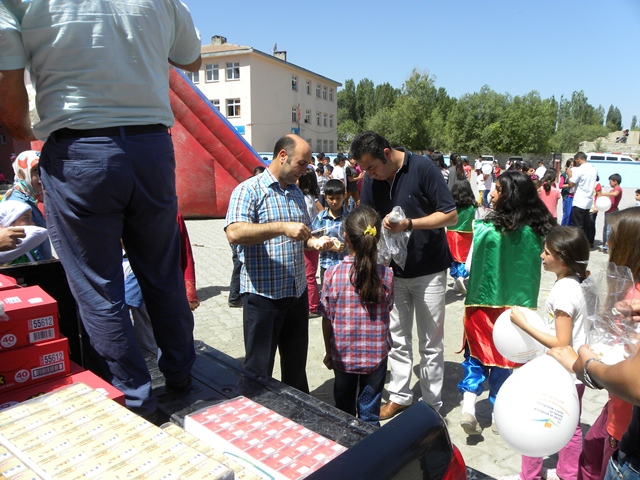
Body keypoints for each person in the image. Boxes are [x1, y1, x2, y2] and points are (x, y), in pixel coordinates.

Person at [0, 0, 203, 419]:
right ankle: (181, 373)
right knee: (162, 273)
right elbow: (192, 58)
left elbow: (7, 82)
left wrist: (26, 130)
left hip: (78, 149)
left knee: (99, 288)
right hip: (151, 146)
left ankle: (135, 398)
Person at [351, 131, 457, 418]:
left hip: (429, 270)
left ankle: (432, 404)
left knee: (431, 342)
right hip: (392, 272)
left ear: (387, 153)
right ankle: (400, 395)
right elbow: (366, 216)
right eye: (366, 170)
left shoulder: (422, 168)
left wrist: (409, 223)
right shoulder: (373, 178)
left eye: (372, 167)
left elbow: (450, 215)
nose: (370, 175)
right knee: (397, 337)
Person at [225, 134, 333, 394]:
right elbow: (235, 232)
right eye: (302, 164)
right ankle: (257, 416)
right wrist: (282, 227)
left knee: (295, 368)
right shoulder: (249, 190)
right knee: (258, 368)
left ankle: (297, 418)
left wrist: (314, 242)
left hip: (296, 295)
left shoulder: (296, 192)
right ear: (282, 156)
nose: (305, 170)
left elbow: (300, 236)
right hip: (263, 297)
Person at [459, 171, 555, 436]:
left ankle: (468, 406)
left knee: (476, 355)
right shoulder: (537, 234)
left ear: (509, 196)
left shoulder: (484, 230)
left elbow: (467, 267)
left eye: (498, 189)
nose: (492, 193)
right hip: (518, 310)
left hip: (482, 303)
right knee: (506, 359)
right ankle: (499, 414)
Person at [547, 207, 640, 480]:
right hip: (615, 408)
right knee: (589, 454)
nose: (607, 242)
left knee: (597, 463)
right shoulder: (630, 292)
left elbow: (633, 376)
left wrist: (586, 364)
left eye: (612, 235)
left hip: (624, 420)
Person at [504, 226, 590, 480]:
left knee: (533, 420)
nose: (541, 256)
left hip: (559, 372)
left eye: (546, 252)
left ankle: (529, 475)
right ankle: (568, 474)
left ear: (562, 259)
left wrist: (524, 325)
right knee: (571, 426)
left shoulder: (563, 291)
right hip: (574, 373)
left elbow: (561, 342)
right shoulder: (576, 282)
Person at [319, 206, 394, 426]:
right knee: (370, 415)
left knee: (343, 412)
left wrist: (329, 351)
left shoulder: (331, 274)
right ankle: (371, 454)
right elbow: (388, 309)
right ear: (377, 237)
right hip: (376, 357)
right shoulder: (386, 275)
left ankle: (345, 451)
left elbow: (327, 319)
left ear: (345, 236)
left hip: (343, 356)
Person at [125, 212, 199, 351]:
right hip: (136, 279)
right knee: (146, 334)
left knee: (178, 332)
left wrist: (190, 292)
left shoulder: (173, 214)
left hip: (167, 284)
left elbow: (186, 253)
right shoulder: (118, 213)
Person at [3, 150, 52, 260]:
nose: (41, 175)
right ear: (23, 173)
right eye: (35, 170)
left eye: (44, 169)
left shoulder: (28, 198)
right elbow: (25, 246)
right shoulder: (18, 204)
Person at [228, 165, 265, 308]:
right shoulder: (245, 190)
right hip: (242, 243)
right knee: (238, 265)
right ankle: (234, 297)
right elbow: (234, 231)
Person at [311, 179, 348, 285]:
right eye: (331, 198)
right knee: (327, 295)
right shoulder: (321, 218)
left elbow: (356, 239)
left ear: (344, 196)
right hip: (326, 265)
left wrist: (345, 245)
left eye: (338, 198)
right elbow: (312, 237)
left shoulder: (349, 218)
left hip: (344, 265)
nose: (334, 202)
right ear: (325, 197)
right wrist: (325, 245)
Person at [298, 170, 324, 316]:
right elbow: (321, 211)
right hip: (311, 237)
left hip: (309, 239)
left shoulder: (304, 198)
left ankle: (313, 306)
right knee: (309, 274)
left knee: (309, 275)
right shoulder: (311, 197)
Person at [447, 181, 478, 295]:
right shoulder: (472, 207)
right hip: (466, 235)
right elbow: (477, 221)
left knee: (453, 259)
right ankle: (461, 277)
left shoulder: (451, 205)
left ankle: (456, 280)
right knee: (464, 259)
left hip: (450, 234)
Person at [0, 200, 48, 265]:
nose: (32, 223)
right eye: (26, 218)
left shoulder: (26, 249)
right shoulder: (5, 249)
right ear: (10, 222)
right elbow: (41, 232)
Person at [568, 152, 598, 241]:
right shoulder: (593, 169)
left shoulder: (580, 170)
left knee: (578, 226)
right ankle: (585, 242)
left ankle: (579, 244)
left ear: (578, 159)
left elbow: (571, 184)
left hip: (579, 201)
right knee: (585, 224)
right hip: (588, 201)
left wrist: (569, 174)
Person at [597, 174, 622, 253]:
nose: (609, 183)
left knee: (609, 230)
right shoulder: (613, 189)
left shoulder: (618, 189)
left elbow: (615, 194)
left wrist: (603, 194)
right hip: (608, 211)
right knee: (606, 229)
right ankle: (605, 246)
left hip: (613, 212)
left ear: (615, 182)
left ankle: (608, 247)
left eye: (610, 181)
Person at [559, 160, 575, 226]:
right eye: (571, 165)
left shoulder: (576, 174)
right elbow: (560, 185)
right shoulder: (564, 175)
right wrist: (570, 185)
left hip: (575, 196)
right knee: (567, 214)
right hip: (567, 196)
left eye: (574, 165)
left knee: (573, 214)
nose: (572, 167)